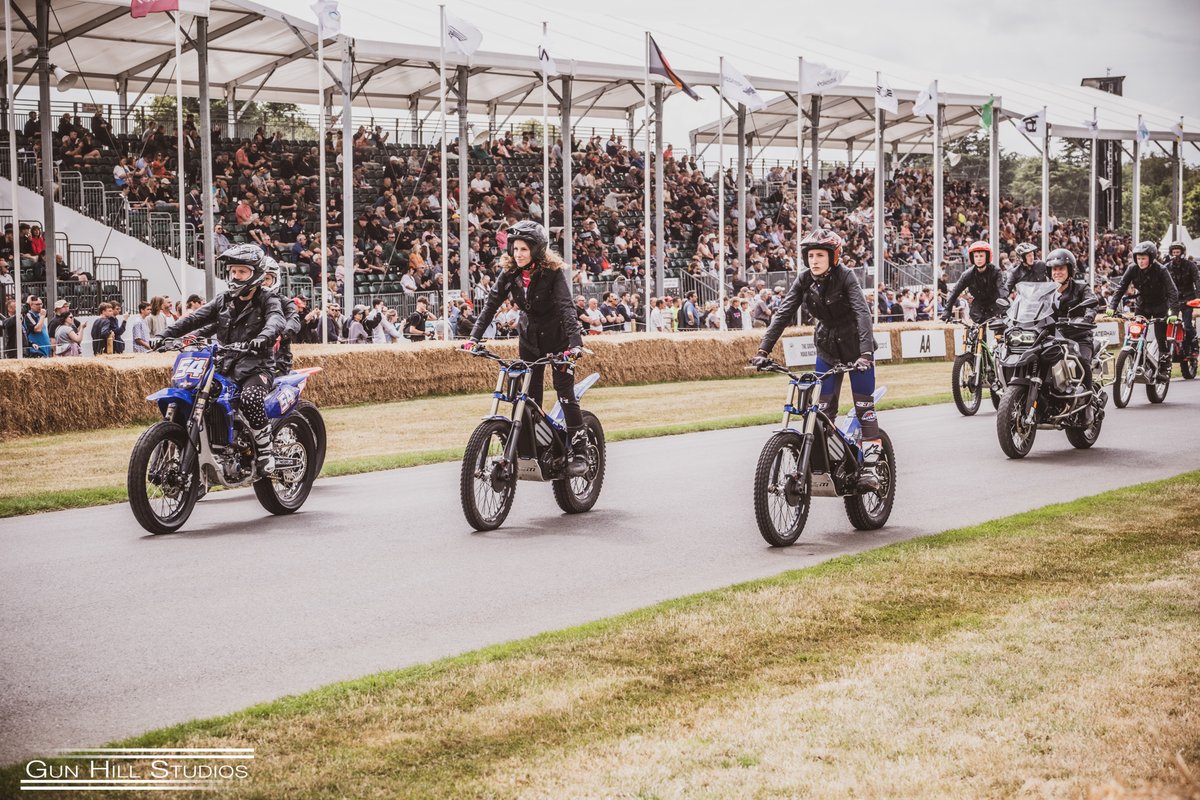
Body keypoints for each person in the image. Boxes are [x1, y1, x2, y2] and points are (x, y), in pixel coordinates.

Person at [750, 229, 883, 491]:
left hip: (857, 350)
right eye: (810, 255)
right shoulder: (803, 280)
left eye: (820, 255)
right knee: (821, 410)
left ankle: (871, 468)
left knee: (864, 405)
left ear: (833, 257)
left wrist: (866, 354)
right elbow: (782, 314)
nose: (814, 260)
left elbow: (862, 314)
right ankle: (828, 460)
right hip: (827, 349)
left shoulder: (846, 276)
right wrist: (763, 351)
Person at [464, 220, 588, 477]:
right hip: (529, 341)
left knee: (565, 391)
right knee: (529, 398)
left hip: (559, 341)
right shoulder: (509, 273)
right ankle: (535, 449)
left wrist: (575, 344)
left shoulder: (553, 273)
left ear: (537, 250)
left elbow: (566, 307)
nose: (518, 254)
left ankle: (580, 451)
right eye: (515, 249)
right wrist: (474, 338)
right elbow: (491, 304)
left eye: (523, 249)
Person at [157, 244, 285, 474]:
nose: (236, 276)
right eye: (233, 271)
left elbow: (276, 320)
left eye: (242, 272)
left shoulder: (267, 299)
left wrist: (263, 337)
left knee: (251, 398)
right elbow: (194, 319)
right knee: (199, 395)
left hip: (257, 367)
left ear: (255, 273)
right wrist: (164, 335)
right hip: (225, 365)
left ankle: (265, 450)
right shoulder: (224, 299)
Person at [1106, 241, 1179, 375]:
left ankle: (1165, 366)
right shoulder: (1132, 269)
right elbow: (1121, 287)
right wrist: (1112, 306)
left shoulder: (1161, 270)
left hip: (1160, 306)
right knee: (1135, 333)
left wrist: (1173, 312)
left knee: (1160, 336)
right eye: (1138, 258)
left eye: (1143, 258)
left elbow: (1172, 291)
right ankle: (1137, 358)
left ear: (1151, 258)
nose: (1140, 261)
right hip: (1142, 306)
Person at [1046, 248, 1099, 424]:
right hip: (1052, 337)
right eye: (1054, 269)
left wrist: (1087, 317)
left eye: (1061, 268)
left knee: (1082, 362)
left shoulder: (1081, 288)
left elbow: (1092, 304)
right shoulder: (1045, 292)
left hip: (1078, 336)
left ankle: (1088, 405)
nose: (1057, 272)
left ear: (1070, 270)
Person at [942, 241, 1006, 324]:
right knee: (975, 330)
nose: (978, 259)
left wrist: (1004, 305)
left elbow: (1002, 290)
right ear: (972, 258)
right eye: (976, 256)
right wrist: (947, 310)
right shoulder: (967, 274)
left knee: (999, 330)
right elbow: (954, 292)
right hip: (978, 306)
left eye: (981, 256)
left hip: (995, 304)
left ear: (987, 257)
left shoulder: (996, 272)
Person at [261, 256, 300, 374]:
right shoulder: (245, 303)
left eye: (267, 279)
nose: (263, 283)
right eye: (260, 279)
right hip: (246, 362)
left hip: (277, 360)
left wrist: (280, 334)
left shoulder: (285, 302)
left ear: (275, 279)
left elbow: (294, 320)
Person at [1164, 241, 1199, 356]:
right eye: (1173, 252)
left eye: (1178, 252)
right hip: (1173, 300)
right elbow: (1161, 284)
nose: (1176, 254)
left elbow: (1198, 281)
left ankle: (1194, 347)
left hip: (1188, 299)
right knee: (1166, 322)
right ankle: (1165, 349)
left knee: (1187, 325)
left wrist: (1198, 297)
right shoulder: (1167, 267)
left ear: (1182, 252)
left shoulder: (1191, 265)